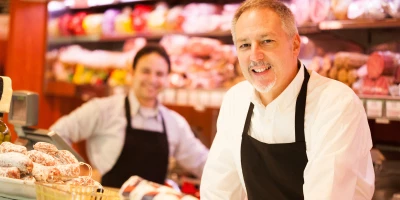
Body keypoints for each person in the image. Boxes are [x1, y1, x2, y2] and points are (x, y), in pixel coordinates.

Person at [200, 0, 375, 199]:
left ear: (294, 44)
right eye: (245, 45)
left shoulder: (335, 103)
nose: (255, 55)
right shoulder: (236, 100)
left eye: (267, 41)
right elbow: (218, 191)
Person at [50, 43, 209, 188]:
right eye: (146, 71)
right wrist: (82, 172)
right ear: (132, 73)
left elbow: (203, 162)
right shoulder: (103, 109)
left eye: (160, 74)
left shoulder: (174, 123)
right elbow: (55, 135)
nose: (152, 79)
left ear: (167, 79)